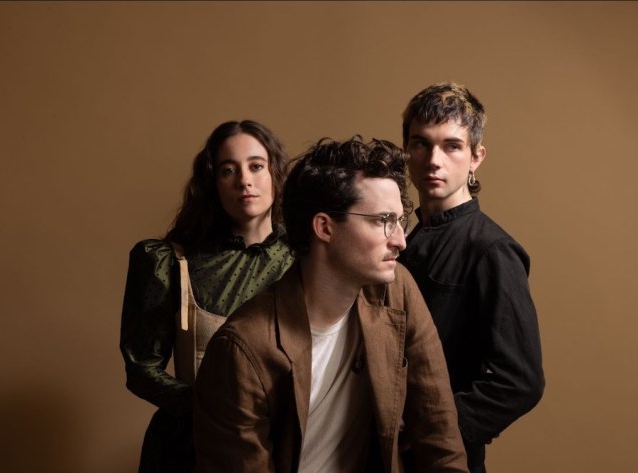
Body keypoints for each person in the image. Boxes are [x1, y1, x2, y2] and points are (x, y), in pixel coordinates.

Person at [194, 136, 468, 473]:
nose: (400, 241)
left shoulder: (396, 290)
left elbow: (439, 437)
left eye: (400, 220)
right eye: (383, 221)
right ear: (324, 227)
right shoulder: (242, 349)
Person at [120, 120, 295, 473]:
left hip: (285, 443)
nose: (244, 180)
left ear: (275, 173)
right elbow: (141, 368)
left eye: (256, 166)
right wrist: (209, 408)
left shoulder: (306, 258)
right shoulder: (171, 261)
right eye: (228, 170)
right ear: (212, 183)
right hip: (191, 446)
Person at [398, 83, 545, 473]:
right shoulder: (400, 240)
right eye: (421, 144)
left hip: (442, 460)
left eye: (451, 146)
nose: (434, 160)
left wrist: (431, 429)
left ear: (476, 157)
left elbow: (521, 382)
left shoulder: (492, 250)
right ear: (407, 152)